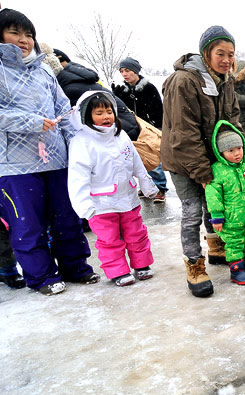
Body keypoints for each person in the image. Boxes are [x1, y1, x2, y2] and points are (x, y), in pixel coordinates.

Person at [0, 8, 98, 295]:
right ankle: (42, 277)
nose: (23, 40)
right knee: (28, 224)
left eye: (28, 34)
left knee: (67, 217)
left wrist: (76, 142)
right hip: (15, 165)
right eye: (14, 32)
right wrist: (30, 122)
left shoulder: (43, 69)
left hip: (55, 158)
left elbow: (62, 109)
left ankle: (76, 267)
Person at [160, 25, 241, 297]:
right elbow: (184, 134)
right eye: (221, 53)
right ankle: (195, 265)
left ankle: (216, 247)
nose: (227, 60)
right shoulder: (184, 81)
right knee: (193, 210)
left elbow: (233, 120)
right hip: (183, 160)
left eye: (231, 54)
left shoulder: (226, 80)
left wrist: (235, 155)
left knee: (215, 205)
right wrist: (203, 173)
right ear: (206, 52)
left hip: (212, 158)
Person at [67, 91, 158, 286]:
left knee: (137, 234)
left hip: (128, 199)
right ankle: (118, 271)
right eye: (99, 113)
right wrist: (84, 206)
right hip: (101, 204)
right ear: (86, 116)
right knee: (109, 240)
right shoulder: (82, 142)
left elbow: (136, 162)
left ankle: (141, 265)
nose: (106, 116)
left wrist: (147, 184)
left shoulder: (121, 135)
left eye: (109, 111)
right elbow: (77, 177)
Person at [205, 122, 245, 285]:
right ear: (221, 152)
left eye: (239, 148)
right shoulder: (217, 171)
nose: (237, 154)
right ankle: (237, 270)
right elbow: (213, 195)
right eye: (230, 151)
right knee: (234, 243)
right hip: (231, 219)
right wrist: (217, 216)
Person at [47, 49, 140, 141]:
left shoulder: (70, 89)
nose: (124, 74)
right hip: (123, 126)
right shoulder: (79, 78)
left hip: (119, 132)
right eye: (121, 71)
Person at [111, 56, 168, 202]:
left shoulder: (149, 88)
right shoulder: (119, 90)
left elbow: (158, 109)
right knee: (136, 160)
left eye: (128, 70)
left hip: (148, 128)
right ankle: (144, 187)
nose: (124, 74)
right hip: (128, 129)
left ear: (135, 71)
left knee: (152, 158)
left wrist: (157, 127)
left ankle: (160, 188)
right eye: (122, 71)